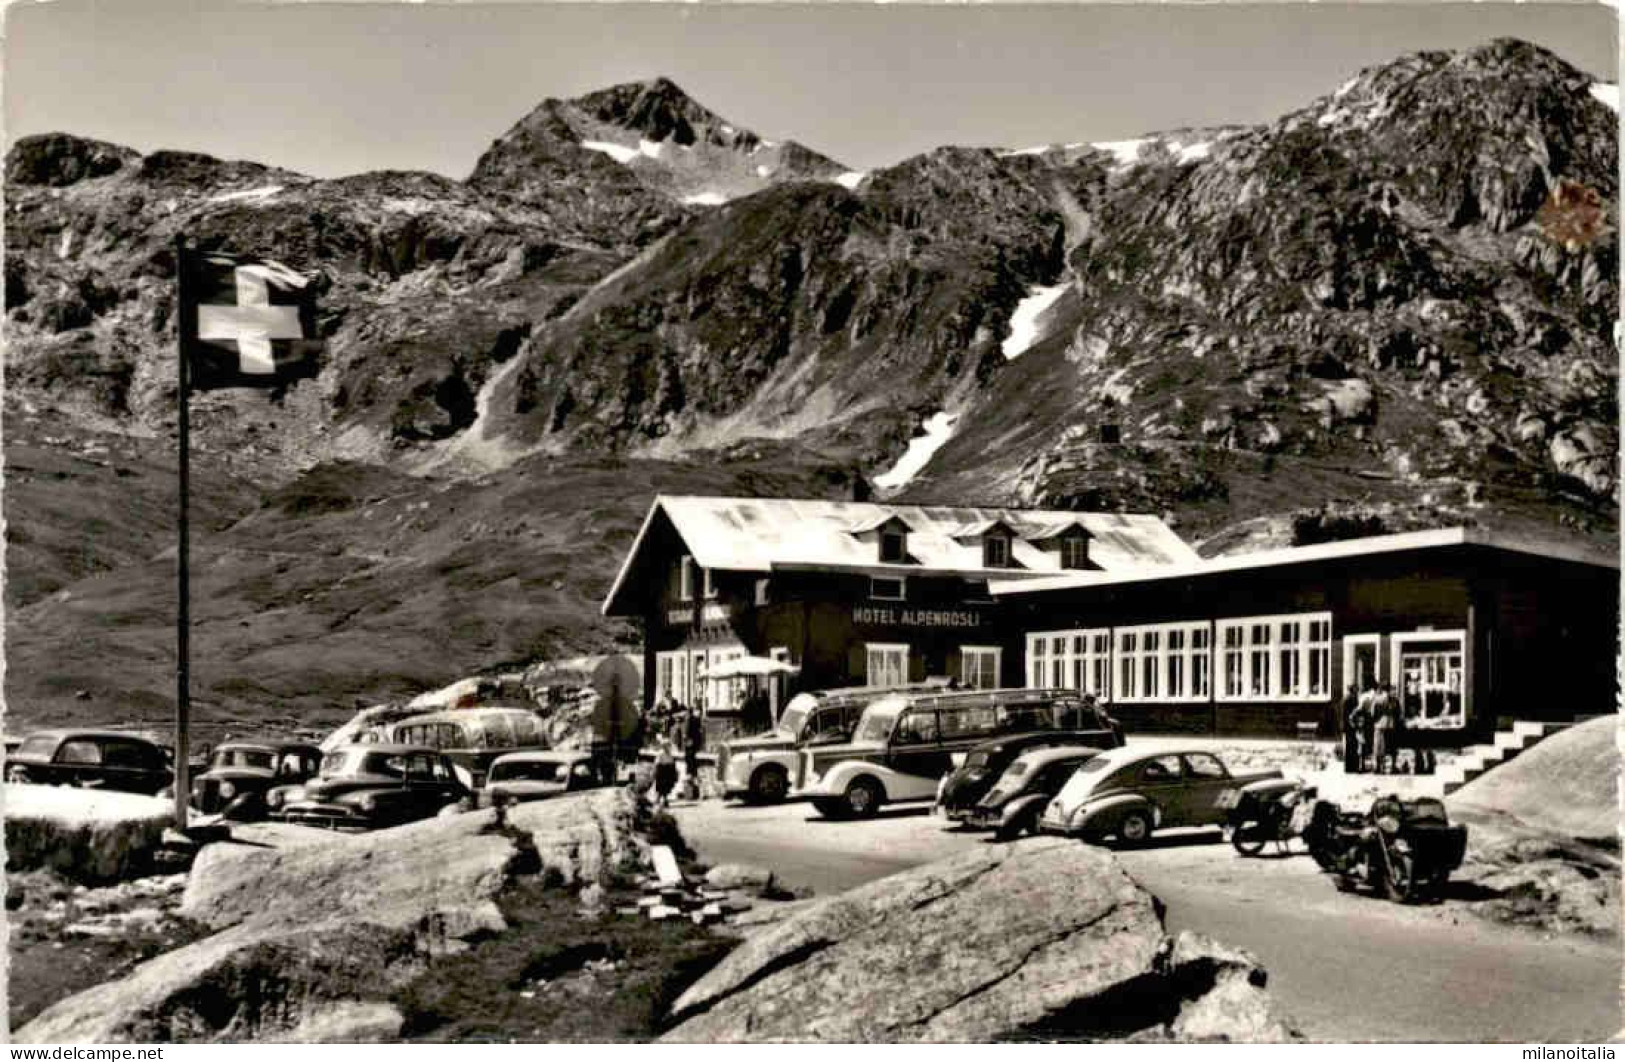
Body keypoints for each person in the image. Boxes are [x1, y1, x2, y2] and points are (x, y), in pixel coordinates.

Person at [1371, 683, 1396, 775]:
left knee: (1380, 747)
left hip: (1382, 725)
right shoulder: (1386, 699)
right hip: (1386, 725)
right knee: (1382, 748)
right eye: (1393, 690)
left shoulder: (1380, 699)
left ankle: (1379, 767)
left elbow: (1373, 712)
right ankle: (1381, 767)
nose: (1394, 692)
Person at [683, 706, 705, 798]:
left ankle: (691, 791)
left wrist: (686, 739)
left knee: (690, 767)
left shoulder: (688, 720)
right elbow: (700, 732)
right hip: (696, 745)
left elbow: (686, 733)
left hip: (690, 745)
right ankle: (697, 790)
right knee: (695, 767)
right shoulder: (697, 719)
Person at [1341, 684, 1363, 774]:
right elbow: (1350, 715)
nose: (1357, 692)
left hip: (1348, 726)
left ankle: (1349, 767)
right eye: (1356, 690)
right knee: (1352, 746)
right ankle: (1353, 767)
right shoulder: (1351, 699)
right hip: (1351, 726)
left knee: (1350, 747)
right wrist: (1354, 725)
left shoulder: (1346, 699)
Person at [653, 738, 679, 809]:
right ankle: (662, 800)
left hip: (669, 771)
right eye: (667, 746)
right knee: (661, 787)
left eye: (669, 746)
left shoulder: (670, 754)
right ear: (663, 746)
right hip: (662, 771)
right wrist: (655, 772)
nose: (668, 747)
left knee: (667, 786)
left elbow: (672, 763)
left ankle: (661, 799)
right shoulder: (660, 754)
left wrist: (675, 771)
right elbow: (657, 764)